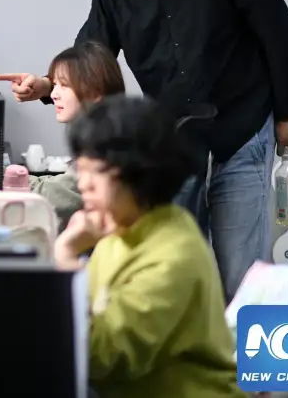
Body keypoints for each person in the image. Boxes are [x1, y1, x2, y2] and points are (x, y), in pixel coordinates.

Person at [0, 0, 288, 301]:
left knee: (242, 272)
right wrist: (48, 85)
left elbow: (278, 33)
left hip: (242, 129)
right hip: (174, 144)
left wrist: (287, 113)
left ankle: (243, 343)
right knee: (171, 268)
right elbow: (91, 59)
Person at [54, 96, 242, 398]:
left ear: (137, 171)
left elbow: (101, 358)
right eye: (80, 169)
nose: (83, 184)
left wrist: (64, 255)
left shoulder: (173, 256)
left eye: (94, 171)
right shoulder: (119, 229)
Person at [28, 41, 126, 232]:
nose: (54, 94)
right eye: (55, 85)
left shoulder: (105, 145)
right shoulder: (100, 133)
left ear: (95, 92)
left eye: (64, 85)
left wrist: (3, 178)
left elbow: (55, 198)